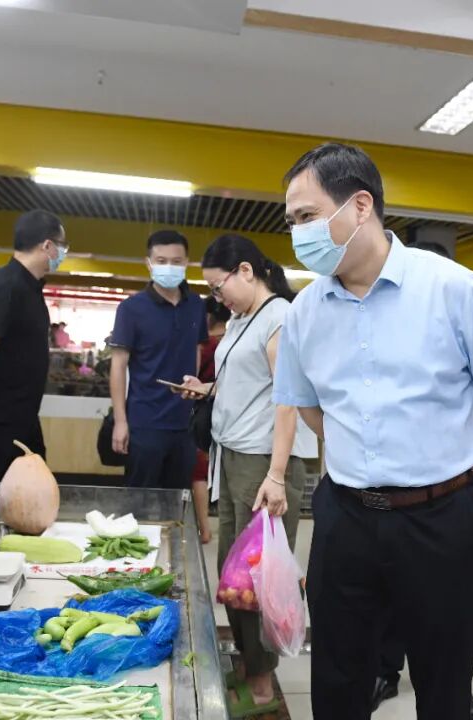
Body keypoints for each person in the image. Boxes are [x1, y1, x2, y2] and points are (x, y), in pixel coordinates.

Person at [274, 142, 473, 720]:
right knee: (337, 674)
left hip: (443, 516)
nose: (297, 233)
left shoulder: (454, 289)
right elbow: (309, 406)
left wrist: (466, 471)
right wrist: (361, 450)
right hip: (345, 515)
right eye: (291, 221)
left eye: (307, 215)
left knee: (443, 676)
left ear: (360, 206)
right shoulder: (306, 310)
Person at [178, 233, 318, 717]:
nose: (218, 298)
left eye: (219, 287)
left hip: (263, 463)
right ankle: (248, 660)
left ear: (245, 271)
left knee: (256, 580)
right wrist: (206, 388)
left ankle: (261, 678)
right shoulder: (242, 319)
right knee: (231, 573)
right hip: (234, 456)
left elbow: (287, 399)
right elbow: (245, 380)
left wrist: (276, 476)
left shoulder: (279, 317)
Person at [372, 240, 473, 720]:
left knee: (446, 616)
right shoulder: (377, 317)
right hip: (377, 492)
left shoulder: (461, 301)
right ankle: (385, 669)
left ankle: (453, 693)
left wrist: (469, 471)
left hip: (447, 489)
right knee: (385, 596)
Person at [0, 209, 65, 481]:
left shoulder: (29, 286)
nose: (63, 253)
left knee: (33, 486)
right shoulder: (7, 285)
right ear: (47, 246)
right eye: (61, 246)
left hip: (21, 414)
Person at [108, 230, 206, 489]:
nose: (169, 267)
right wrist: (120, 421)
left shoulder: (196, 305)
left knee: (176, 500)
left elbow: (196, 349)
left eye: (176, 261)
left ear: (186, 263)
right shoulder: (131, 309)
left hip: (184, 425)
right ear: (149, 263)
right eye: (161, 261)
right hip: (144, 424)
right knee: (140, 501)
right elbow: (118, 366)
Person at [191, 296, 231, 544]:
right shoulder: (232, 339)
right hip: (228, 413)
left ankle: (204, 528)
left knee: (198, 472)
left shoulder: (206, 346)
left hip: (204, 411)